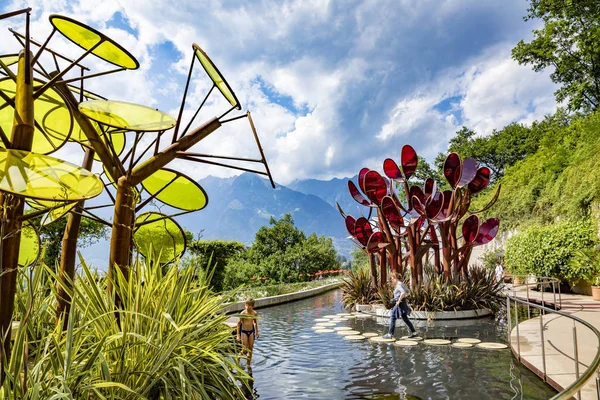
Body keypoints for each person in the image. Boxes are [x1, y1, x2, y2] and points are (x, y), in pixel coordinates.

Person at [383, 274, 418, 339]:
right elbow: (408, 291)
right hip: (403, 303)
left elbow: (403, 292)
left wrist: (399, 300)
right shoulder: (402, 284)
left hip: (399, 304)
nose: (392, 280)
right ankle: (414, 332)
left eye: (392, 278)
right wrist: (400, 298)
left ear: (395, 278)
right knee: (405, 318)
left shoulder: (399, 285)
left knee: (393, 316)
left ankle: (390, 334)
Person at [237, 298, 259, 365]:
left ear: (253, 306)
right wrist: (238, 335)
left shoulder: (254, 313)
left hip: (251, 331)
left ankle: (248, 364)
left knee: (251, 349)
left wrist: (257, 331)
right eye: (246, 305)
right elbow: (239, 323)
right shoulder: (243, 313)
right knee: (245, 349)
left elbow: (255, 322)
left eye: (249, 305)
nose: (248, 307)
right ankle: (238, 357)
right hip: (244, 332)